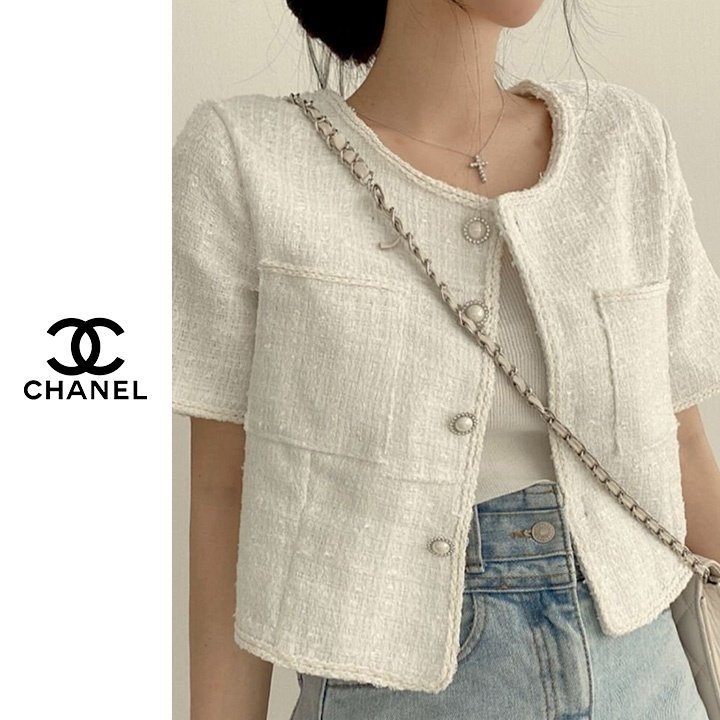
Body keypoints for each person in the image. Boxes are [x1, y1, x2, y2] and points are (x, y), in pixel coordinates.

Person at [173, 1, 720, 718]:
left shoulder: (624, 143)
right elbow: (224, 492)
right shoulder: (248, 158)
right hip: (393, 689)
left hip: (648, 677)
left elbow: (683, 449)